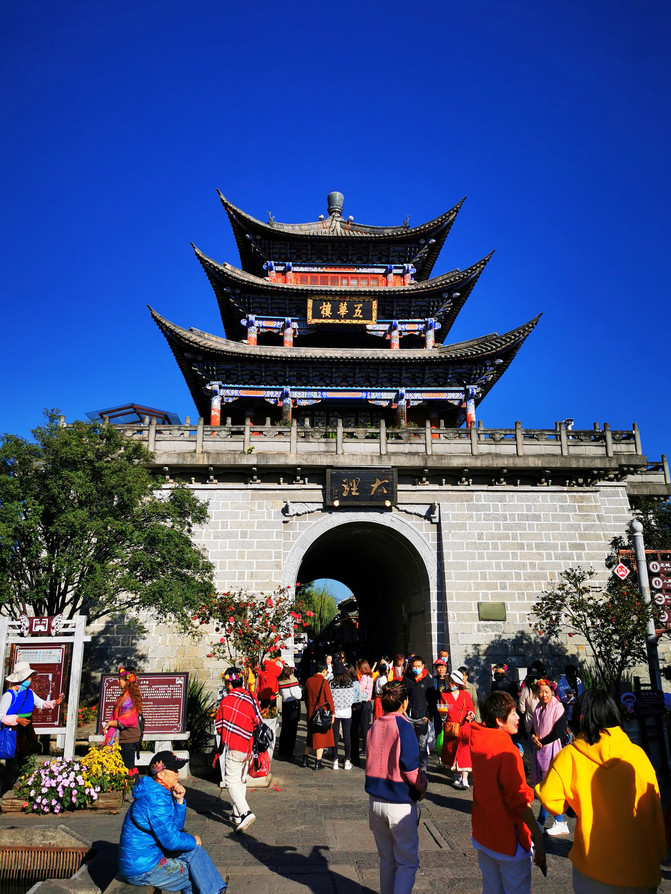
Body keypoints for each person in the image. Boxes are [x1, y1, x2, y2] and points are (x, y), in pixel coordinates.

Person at [537, 689, 665, 893]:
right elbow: (654, 806)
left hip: (594, 867)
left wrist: (575, 804)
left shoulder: (570, 755)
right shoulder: (637, 754)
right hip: (641, 866)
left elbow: (551, 801)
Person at [469, 691, 546, 894]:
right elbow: (518, 799)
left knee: (491, 888)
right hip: (508, 838)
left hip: (484, 833)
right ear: (499, 720)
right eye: (513, 713)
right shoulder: (506, 749)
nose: (518, 717)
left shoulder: (478, 737)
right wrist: (537, 837)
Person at [118, 750, 226, 894]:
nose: (177, 773)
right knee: (195, 874)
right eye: (174, 769)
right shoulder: (155, 799)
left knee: (195, 853)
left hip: (149, 857)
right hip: (142, 869)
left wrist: (179, 801)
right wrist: (193, 840)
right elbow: (171, 841)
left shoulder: (159, 792)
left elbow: (174, 828)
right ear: (160, 774)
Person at [365, 680, 428, 894]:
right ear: (405, 703)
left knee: (387, 860)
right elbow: (410, 768)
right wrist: (422, 785)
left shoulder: (374, 725)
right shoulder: (404, 727)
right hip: (399, 801)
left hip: (375, 800)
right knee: (407, 862)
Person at [0, 662, 64, 795]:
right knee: (12, 763)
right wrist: (17, 720)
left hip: (26, 730)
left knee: (25, 760)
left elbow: (41, 703)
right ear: (22, 678)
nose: (31, 679)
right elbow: (1, 715)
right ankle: (4, 792)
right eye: (29, 677)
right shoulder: (10, 694)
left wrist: (54, 702)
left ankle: (21, 790)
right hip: (13, 731)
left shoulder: (29, 692)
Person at [214, 666, 262, 832]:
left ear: (229, 683)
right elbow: (258, 719)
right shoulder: (250, 696)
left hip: (234, 745)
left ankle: (246, 812)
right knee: (241, 780)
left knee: (230, 781)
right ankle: (236, 815)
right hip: (248, 745)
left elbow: (219, 726)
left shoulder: (227, 701)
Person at [530, 678, 567, 835]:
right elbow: (533, 728)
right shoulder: (538, 708)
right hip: (539, 750)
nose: (544, 695)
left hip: (552, 749)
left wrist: (541, 742)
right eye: (540, 692)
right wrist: (533, 737)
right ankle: (543, 821)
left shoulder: (558, 707)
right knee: (544, 786)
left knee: (549, 786)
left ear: (552, 692)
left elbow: (558, 731)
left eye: (547, 691)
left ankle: (557, 820)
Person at [440, 669, 476, 789]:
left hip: (464, 727)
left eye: (454, 682)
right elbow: (443, 714)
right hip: (451, 727)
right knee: (453, 751)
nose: (451, 684)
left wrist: (470, 714)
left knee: (464, 752)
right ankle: (456, 775)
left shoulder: (465, 695)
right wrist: (443, 714)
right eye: (450, 681)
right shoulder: (444, 694)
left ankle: (465, 778)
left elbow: (471, 708)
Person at [102, 665, 142, 772]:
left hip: (128, 739)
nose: (118, 681)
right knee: (125, 769)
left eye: (120, 679)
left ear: (127, 681)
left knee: (128, 770)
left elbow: (129, 720)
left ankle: (134, 782)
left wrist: (110, 723)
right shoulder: (125, 696)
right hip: (126, 738)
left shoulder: (128, 698)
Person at [302, 659, 335, 770]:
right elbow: (329, 700)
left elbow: (305, 697)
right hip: (321, 714)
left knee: (310, 737)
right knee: (320, 739)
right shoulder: (324, 682)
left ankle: (305, 759)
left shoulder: (308, 681)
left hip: (311, 713)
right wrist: (332, 713)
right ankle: (317, 762)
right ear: (324, 671)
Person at [403, 655, 433, 773]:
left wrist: (428, 716)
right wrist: (403, 711)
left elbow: (431, 700)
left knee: (422, 745)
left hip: (422, 717)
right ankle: (409, 768)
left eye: (418, 666)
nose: (416, 668)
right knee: (408, 743)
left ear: (423, 666)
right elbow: (403, 694)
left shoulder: (428, 680)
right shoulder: (407, 678)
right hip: (409, 716)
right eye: (414, 666)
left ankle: (423, 770)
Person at [330, 662, 356, 770]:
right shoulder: (349, 682)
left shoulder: (331, 683)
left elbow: (329, 697)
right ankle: (347, 760)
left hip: (335, 712)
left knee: (335, 737)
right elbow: (352, 697)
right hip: (347, 711)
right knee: (347, 736)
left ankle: (335, 760)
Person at [351, 659, 374, 765]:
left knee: (364, 728)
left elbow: (361, 692)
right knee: (365, 727)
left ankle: (365, 747)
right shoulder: (369, 676)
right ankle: (365, 747)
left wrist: (357, 696)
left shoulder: (364, 678)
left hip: (364, 704)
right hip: (367, 704)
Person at [277, 664, 302, 761]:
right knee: (292, 729)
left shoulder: (280, 680)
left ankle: (282, 750)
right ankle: (289, 752)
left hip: (285, 704)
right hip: (293, 704)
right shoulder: (293, 680)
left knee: (285, 728)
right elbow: (297, 695)